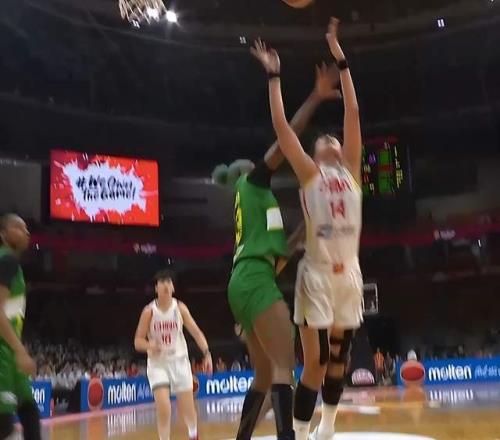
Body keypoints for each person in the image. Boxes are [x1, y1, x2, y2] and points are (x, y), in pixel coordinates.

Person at [213, 48, 340, 440]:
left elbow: (281, 255)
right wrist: (315, 96)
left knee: (266, 375)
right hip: (253, 280)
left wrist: (309, 225)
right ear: (245, 173)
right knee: (285, 366)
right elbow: (288, 136)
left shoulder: (256, 204)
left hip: (247, 279)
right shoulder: (252, 183)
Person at [259, 17, 364, 440]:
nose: (332, 142)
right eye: (324, 141)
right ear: (316, 153)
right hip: (316, 276)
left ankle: (328, 427)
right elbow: (283, 130)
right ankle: (300, 435)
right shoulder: (309, 175)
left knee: (339, 361)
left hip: (349, 275)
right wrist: (274, 76)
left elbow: (353, 111)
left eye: (335, 141)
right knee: (316, 362)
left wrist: (340, 56)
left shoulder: (352, 173)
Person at [134, 269, 213, 440]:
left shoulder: (180, 308)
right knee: (164, 407)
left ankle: (194, 434)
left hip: (179, 361)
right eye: (162, 282)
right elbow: (138, 341)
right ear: (156, 288)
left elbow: (196, 332)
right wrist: (149, 345)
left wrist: (207, 353)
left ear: (173, 288)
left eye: (168, 282)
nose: (166, 285)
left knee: (188, 411)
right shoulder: (149, 311)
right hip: (158, 364)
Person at [0, 213, 41, 440]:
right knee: (4, 425)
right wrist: (21, 351)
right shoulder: (7, 261)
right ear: (3, 235)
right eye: (18, 227)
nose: (26, 232)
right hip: (3, 352)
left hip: (9, 352)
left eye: (26, 228)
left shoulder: (12, 265)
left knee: (30, 412)